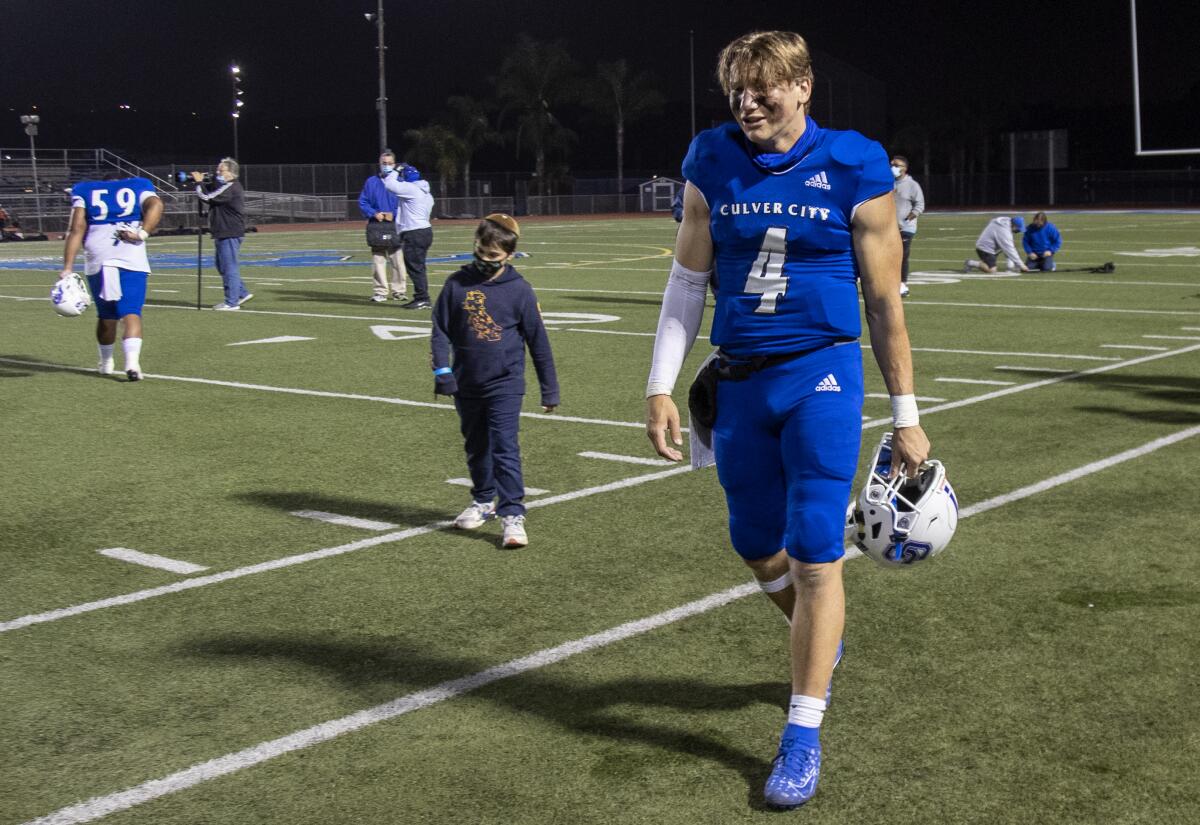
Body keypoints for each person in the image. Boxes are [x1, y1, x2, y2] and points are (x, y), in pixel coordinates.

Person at [644, 30, 930, 809]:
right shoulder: (712, 158)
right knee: (754, 544)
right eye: (738, 88)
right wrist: (659, 385)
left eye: (766, 86)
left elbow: (883, 302)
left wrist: (907, 415)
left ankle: (801, 732)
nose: (749, 100)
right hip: (739, 381)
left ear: (804, 87)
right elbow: (684, 281)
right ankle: (821, 643)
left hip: (822, 375)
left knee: (814, 551)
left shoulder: (854, 162)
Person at [431, 213, 559, 549]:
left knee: (504, 448)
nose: (485, 261)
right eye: (481, 252)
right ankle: (483, 500)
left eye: (493, 256)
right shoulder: (456, 284)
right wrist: (442, 371)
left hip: (505, 383)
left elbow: (538, 342)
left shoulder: (520, 291)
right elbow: (440, 330)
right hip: (466, 383)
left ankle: (513, 514)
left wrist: (550, 388)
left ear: (509, 255)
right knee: (476, 447)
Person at [58, 173, 163, 380]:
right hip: (131, 256)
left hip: (100, 257)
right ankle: (133, 365)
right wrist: (142, 233)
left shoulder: (86, 189)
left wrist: (67, 267)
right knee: (131, 312)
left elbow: (76, 228)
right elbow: (157, 204)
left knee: (107, 315)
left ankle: (106, 363)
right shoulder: (138, 185)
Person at [193, 158, 250, 310]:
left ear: (231, 173)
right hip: (223, 231)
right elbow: (213, 191)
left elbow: (207, 197)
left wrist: (199, 183)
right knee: (221, 265)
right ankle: (242, 292)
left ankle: (232, 302)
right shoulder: (226, 187)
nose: (217, 173)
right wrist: (207, 181)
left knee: (229, 266)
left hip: (229, 231)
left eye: (221, 170)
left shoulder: (231, 187)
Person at [358, 149, 408, 303]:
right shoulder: (371, 182)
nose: (386, 166)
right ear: (379, 164)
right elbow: (362, 201)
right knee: (378, 260)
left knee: (398, 259)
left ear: (395, 164)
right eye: (384, 163)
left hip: (395, 224)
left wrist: (394, 213)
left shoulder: (400, 181)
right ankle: (380, 291)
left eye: (389, 163)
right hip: (376, 225)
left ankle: (399, 291)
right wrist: (374, 213)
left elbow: (406, 201)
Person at [383, 164, 435, 309]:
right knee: (419, 266)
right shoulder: (426, 193)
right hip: (425, 230)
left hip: (414, 232)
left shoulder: (411, 188)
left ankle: (422, 298)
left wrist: (396, 170)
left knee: (415, 267)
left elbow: (389, 184)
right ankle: (422, 296)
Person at [890, 155, 924, 297]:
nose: (893, 168)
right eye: (891, 164)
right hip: (889, 228)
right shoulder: (888, 183)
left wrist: (906, 221)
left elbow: (919, 205)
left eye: (897, 165)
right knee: (888, 257)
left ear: (905, 168)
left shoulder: (912, 185)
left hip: (905, 228)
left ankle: (902, 284)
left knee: (902, 256)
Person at [964, 215, 1029, 273]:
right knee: (992, 270)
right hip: (985, 248)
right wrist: (1021, 265)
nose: (1019, 231)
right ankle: (970, 263)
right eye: (1018, 229)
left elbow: (1009, 248)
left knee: (1009, 246)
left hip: (994, 247)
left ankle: (1010, 266)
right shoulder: (1004, 231)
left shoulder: (1007, 221)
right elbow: (1009, 249)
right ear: (1014, 225)